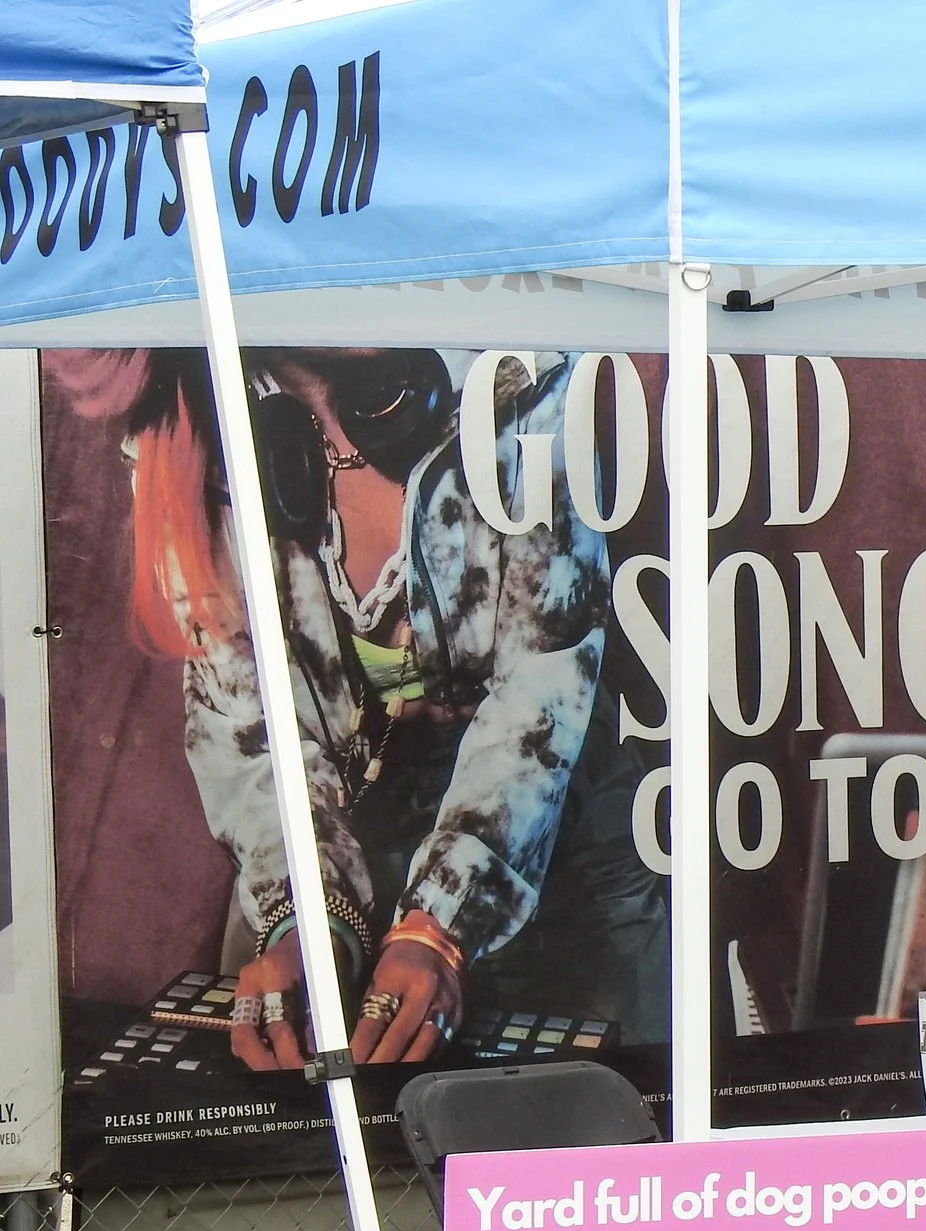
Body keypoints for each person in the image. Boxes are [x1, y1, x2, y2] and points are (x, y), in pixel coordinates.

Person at [69, 347, 665, 1071]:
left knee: (589, 1131)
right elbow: (244, 729)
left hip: (556, 845)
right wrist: (303, 922)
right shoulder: (185, 435)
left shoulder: (521, 374)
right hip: (332, 837)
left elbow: (543, 677)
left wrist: (436, 925)